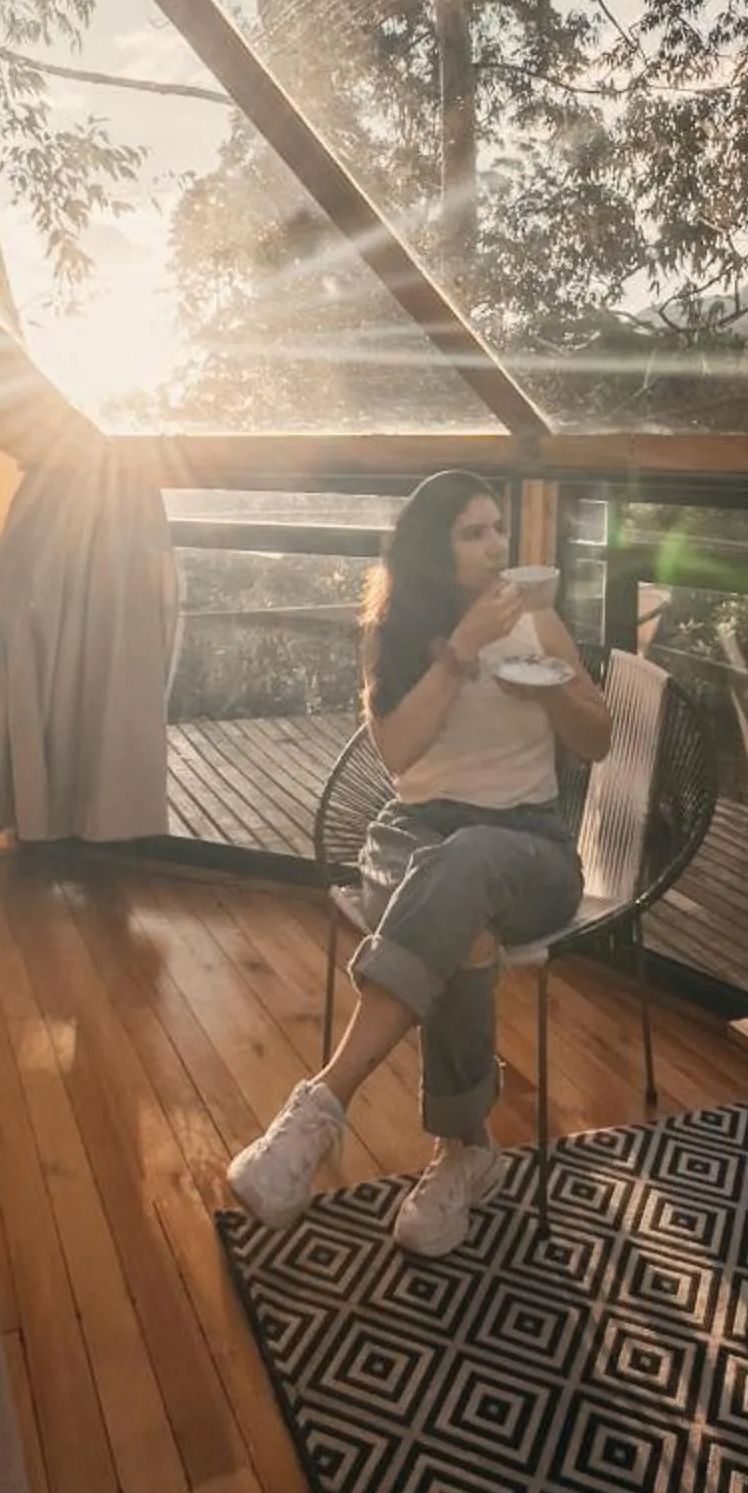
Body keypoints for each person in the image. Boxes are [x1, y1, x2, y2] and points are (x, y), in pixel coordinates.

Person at [225, 471, 611, 1258]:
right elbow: (399, 755)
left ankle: (324, 1102)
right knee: (458, 920)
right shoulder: (394, 632)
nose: (497, 545)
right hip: (416, 831)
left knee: (464, 866)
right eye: (473, 533)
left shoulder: (537, 618)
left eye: (497, 528)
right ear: (434, 550)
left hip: (529, 844)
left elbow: (599, 738)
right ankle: (466, 1153)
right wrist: (461, 651)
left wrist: (554, 698)